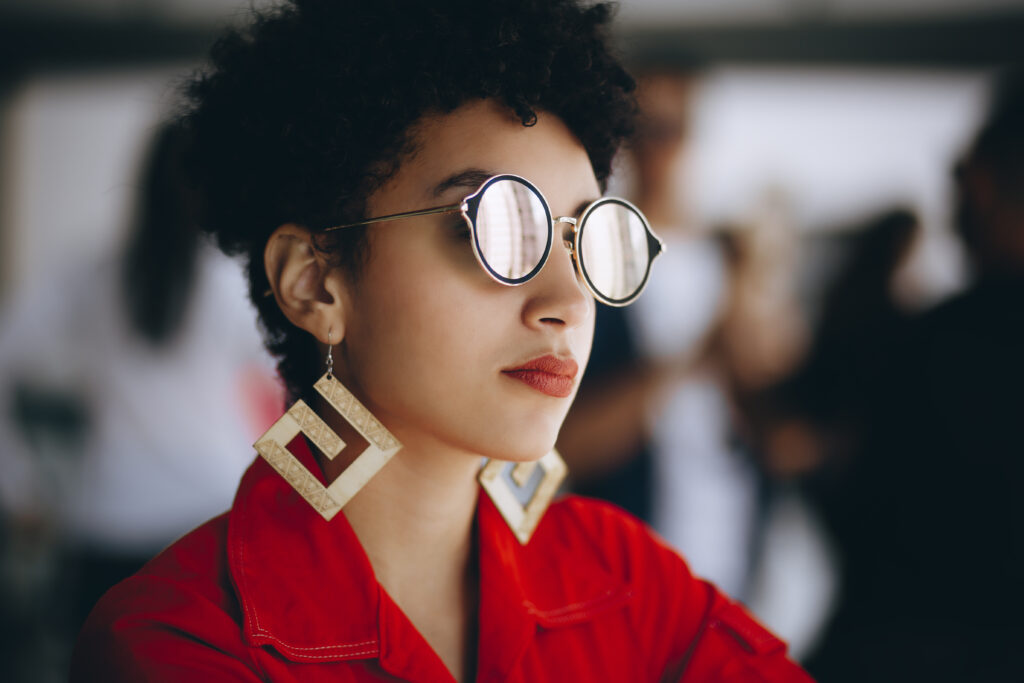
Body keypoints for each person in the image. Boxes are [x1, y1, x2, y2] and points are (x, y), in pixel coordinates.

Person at [70, 1, 812, 680]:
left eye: (585, 237)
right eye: (491, 227)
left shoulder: (624, 577)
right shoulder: (180, 638)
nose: (566, 300)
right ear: (315, 283)